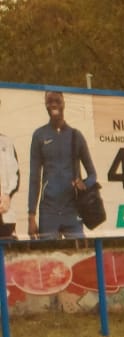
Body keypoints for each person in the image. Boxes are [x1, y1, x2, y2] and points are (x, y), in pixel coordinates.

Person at [27, 90, 97, 240]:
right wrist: (31, 215)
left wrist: (84, 184)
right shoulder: (39, 135)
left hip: (72, 209)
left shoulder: (76, 136)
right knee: (49, 258)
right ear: (45, 105)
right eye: (50, 101)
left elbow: (92, 174)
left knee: (80, 255)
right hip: (48, 210)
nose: (53, 104)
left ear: (64, 103)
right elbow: (34, 178)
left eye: (57, 100)